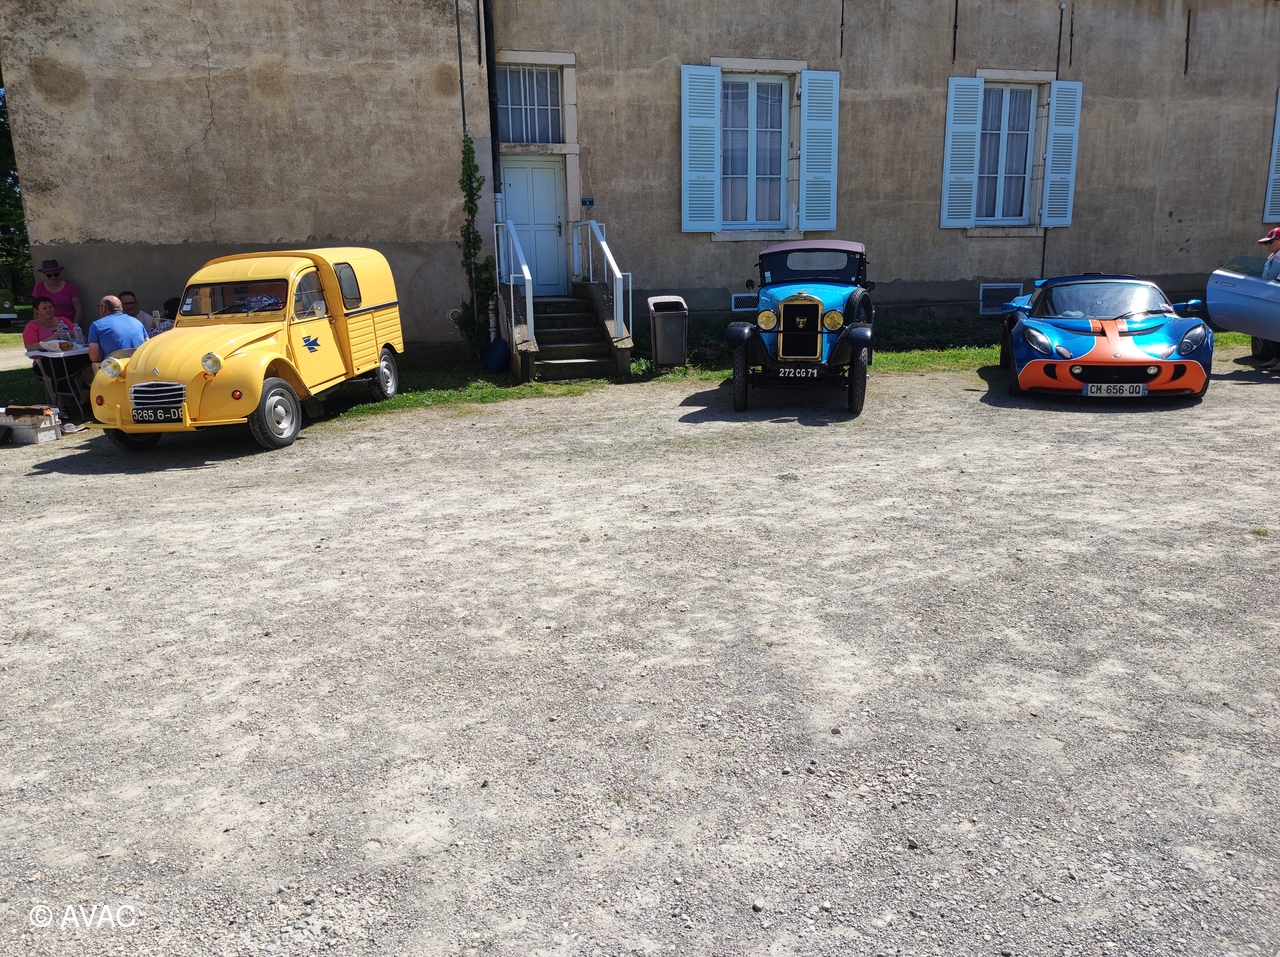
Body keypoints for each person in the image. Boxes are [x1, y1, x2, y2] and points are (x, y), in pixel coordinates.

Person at [24, 295, 92, 401]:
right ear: (37, 311)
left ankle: (85, 397)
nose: (49, 310)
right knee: (56, 364)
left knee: (91, 358)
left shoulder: (63, 321)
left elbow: (83, 338)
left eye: (50, 307)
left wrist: (73, 335)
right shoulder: (32, 326)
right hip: (46, 362)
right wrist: (51, 339)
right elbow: (30, 347)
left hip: (69, 357)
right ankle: (61, 402)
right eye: (44, 308)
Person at [87, 295, 147, 363]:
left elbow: (95, 358)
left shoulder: (96, 325)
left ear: (103, 308)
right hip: (138, 365)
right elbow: (147, 345)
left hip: (115, 368)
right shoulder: (137, 322)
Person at [31, 259, 83, 336]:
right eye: (49, 275)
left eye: (56, 274)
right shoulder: (39, 287)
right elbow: (36, 310)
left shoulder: (69, 287)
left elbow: (78, 309)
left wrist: (74, 327)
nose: (53, 277)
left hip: (67, 326)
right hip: (47, 327)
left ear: (60, 273)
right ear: (44, 274)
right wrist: (37, 327)